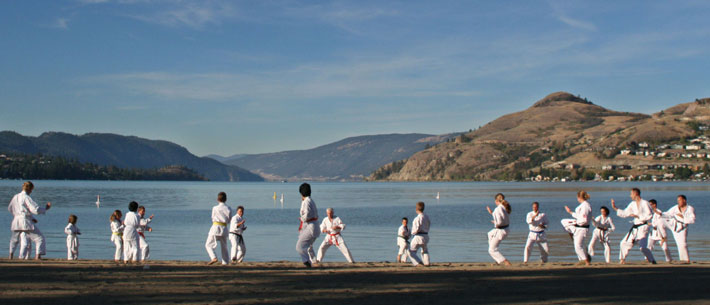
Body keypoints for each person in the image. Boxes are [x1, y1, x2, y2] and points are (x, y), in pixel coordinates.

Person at [8, 181, 51, 260]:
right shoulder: (26, 197)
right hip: (25, 221)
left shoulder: (15, 196)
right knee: (39, 238)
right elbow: (35, 209)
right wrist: (45, 209)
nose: (31, 192)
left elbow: (10, 208)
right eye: (31, 190)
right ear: (29, 189)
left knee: (14, 239)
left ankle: (10, 255)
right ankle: (38, 255)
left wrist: (17, 214)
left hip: (16, 220)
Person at [611, 188, 656, 264]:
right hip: (635, 227)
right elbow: (625, 213)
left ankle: (652, 260)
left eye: (631, 194)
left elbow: (650, 215)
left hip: (643, 227)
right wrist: (615, 208)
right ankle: (622, 260)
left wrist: (638, 216)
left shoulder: (645, 203)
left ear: (636, 194)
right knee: (623, 243)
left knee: (643, 248)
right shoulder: (632, 204)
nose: (630, 196)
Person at [659, 195, 696, 263]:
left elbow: (692, 220)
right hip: (672, 224)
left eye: (680, 200)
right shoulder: (675, 208)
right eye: (678, 200)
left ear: (684, 200)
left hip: (681, 228)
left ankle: (684, 260)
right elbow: (668, 214)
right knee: (660, 220)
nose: (678, 202)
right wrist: (660, 214)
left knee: (682, 244)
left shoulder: (690, 208)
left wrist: (683, 217)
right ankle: (663, 237)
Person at [562, 190, 593, 266]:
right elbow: (580, 216)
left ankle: (586, 261)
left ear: (579, 197)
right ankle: (583, 259)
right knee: (564, 221)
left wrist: (578, 222)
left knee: (578, 246)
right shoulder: (583, 205)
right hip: (580, 226)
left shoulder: (585, 206)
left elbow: (584, 219)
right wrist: (570, 212)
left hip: (582, 227)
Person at [206, 192, 233, 265]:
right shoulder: (229, 208)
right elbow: (230, 219)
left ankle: (213, 257)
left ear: (217, 199)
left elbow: (212, 218)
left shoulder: (215, 208)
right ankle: (225, 262)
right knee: (224, 246)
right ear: (226, 199)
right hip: (224, 228)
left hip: (215, 227)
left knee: (208, 245)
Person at [296, 183, 319, 268]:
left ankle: (307, 262)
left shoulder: (306, 202)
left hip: (311, 226)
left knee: (299, 246)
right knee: (307, 246)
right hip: (313, 226)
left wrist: (302, 219)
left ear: (301, 193)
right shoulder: (310, 200)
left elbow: (306, 216)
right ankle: (312, 260)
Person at [486, 194, 511, 266]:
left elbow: (499, 222)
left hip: (501, 230)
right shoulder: (504, 207)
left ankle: (506, 261)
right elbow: (504, 219)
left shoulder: (498, 209)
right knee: (489, 234)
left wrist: (495, 223)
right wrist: (492, 213)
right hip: (506, 229)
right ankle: (498, 260)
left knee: (491, 250)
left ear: (496, 201)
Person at [409, 201, 431, 267]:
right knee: (424, 250)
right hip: (426, 235)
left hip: (418, 236)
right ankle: (427, 263)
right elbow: (429, 224)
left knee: (411, 251)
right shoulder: (426, 216)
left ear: (416, 209)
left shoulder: (417, 218)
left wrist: (412, 233)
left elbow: (416, 228)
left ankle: (418, 262)